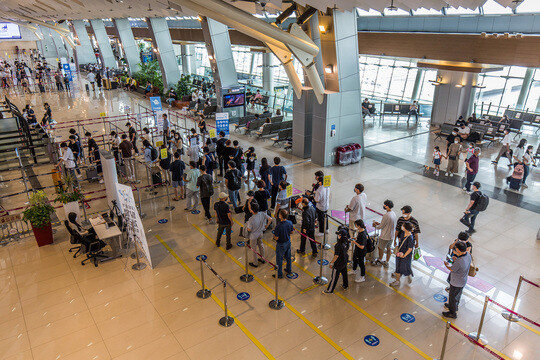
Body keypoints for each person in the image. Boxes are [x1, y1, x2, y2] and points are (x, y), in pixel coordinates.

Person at [442, 241, 472, 319]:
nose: (455, 250)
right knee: (457, 295)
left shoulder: (460, 261)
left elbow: (451, 269)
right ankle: (454, 306)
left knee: (452, 297)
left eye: (456, 249)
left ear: (458, 250)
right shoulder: (468, 255)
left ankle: (452, 313)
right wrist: (456, 259)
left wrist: (446, 265)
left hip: (456, 282)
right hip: (463, 280)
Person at [322, 228, 349, 294]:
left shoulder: (338, 245)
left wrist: (331, 263)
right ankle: (345, 285)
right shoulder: (346, 242)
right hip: (345, 261)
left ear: (340, 236)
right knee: (344, 274)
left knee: (334, 277)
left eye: (339, 235)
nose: (338, 236)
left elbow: (336, 256)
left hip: (338, 263)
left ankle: (330, 290)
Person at [372, 200, 397, 267]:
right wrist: (379, 223)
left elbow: (381, 226)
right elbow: (388, 224)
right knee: (389, 249)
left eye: (384, 204)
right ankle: (386, 261)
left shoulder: (386, 215)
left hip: (384, 236)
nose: (383, 206)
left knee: (381, 248)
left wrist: (375, 225)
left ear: (387, 206)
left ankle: (379, 260)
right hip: (391, 236)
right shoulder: (393, 213)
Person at [246, 202, 272, 268]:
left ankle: (255, 263)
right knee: (261, 245)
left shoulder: (251, 219)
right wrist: (266, 226)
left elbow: (249, 229)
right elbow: (270, 219)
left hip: (253, 236)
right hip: (260, 233)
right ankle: (262, 259)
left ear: (252, 210)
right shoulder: (262, 214)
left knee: (254, 249)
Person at [390, 222, 415, 287]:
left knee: (404, 267)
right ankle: (397, 280)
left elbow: (410, 249)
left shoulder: (410, 238)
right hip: (399, 253)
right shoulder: (402, 233)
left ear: (405, 228)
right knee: (398, 267)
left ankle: (407, 274)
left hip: (405, 256)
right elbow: (400, 240)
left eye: (403, 226)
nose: (402, 226)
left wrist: (404, 256)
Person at [273, 209, 294, 278]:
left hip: (281, 244)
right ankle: (289, 269)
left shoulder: (278, 226)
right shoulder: (290, 222)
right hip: (288, 242)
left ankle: (279, 274)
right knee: (288, 257)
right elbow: (292, 232)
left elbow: (276, 238)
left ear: (281, 216)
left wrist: (274, 236)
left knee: (279, 259)